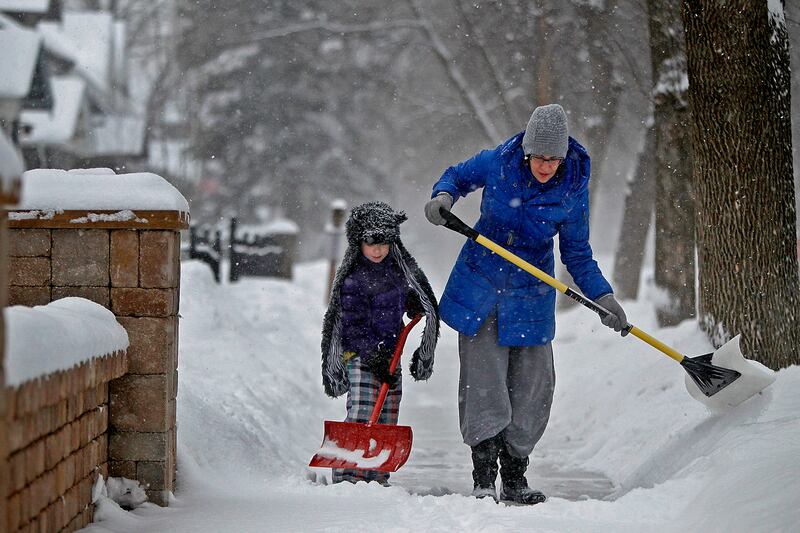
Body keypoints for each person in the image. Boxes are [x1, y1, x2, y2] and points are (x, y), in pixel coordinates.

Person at [424, 103, 628, 504]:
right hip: (482, 283)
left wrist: (603, 296)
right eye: (539, 157)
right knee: (484, 385)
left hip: (531, 291)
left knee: (533, 387)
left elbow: (577, 254)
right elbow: (457, 176)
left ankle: (515, 478)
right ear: (526, 151)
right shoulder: (498, 163)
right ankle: (484, 477)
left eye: (554, 159)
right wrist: (443, 195)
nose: (546, 166)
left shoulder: (572, 189)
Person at [321, 201, 440, 485]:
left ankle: (376, 473)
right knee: (363, 409)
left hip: (390, 353)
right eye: (371, 243)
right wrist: (372, 355)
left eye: (384, 243)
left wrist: (411, 301)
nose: (378, 250)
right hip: (359, 355)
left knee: (388, 411)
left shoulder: (397, 271)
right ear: (358, 242)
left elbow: (399, 297)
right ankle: (348, 474)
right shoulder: (353, 279)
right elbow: (353, 326)